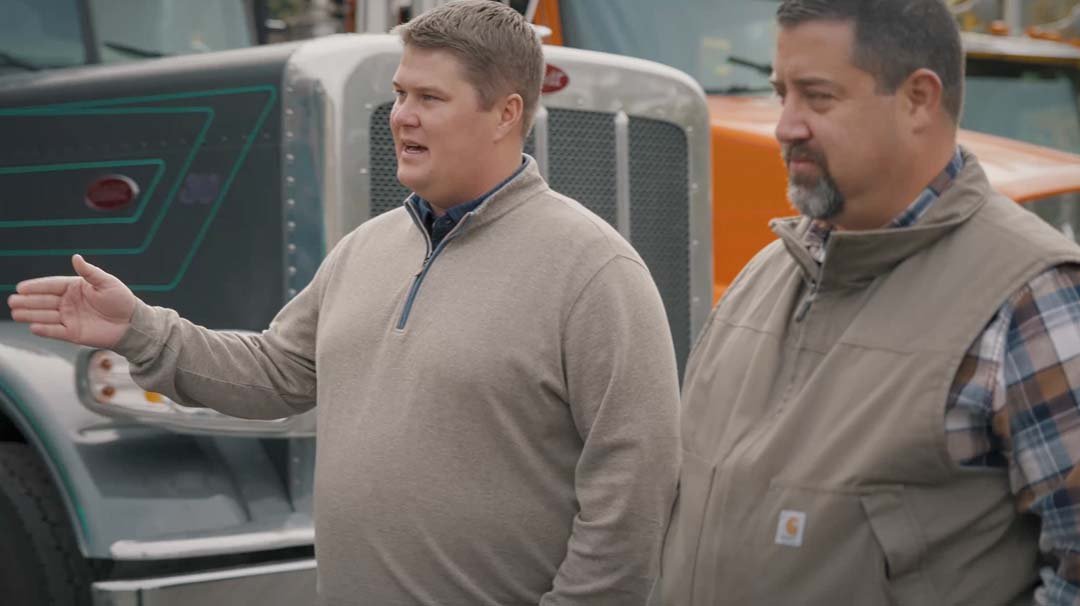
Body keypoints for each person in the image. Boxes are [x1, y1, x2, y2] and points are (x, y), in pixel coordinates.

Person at [8, 2, 681, 604]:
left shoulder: (594, 270)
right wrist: (139, 330)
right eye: (398, 94)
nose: (402, 116)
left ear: (506, 113)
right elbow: (277, 374)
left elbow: (636, 485)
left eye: (429, 98)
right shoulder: (367, 248)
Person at [657, 1, 1080, 604]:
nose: (786, 125)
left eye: (818, 97)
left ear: (918, 100)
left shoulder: (1030, 297)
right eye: (782, 94)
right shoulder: (765, 273)